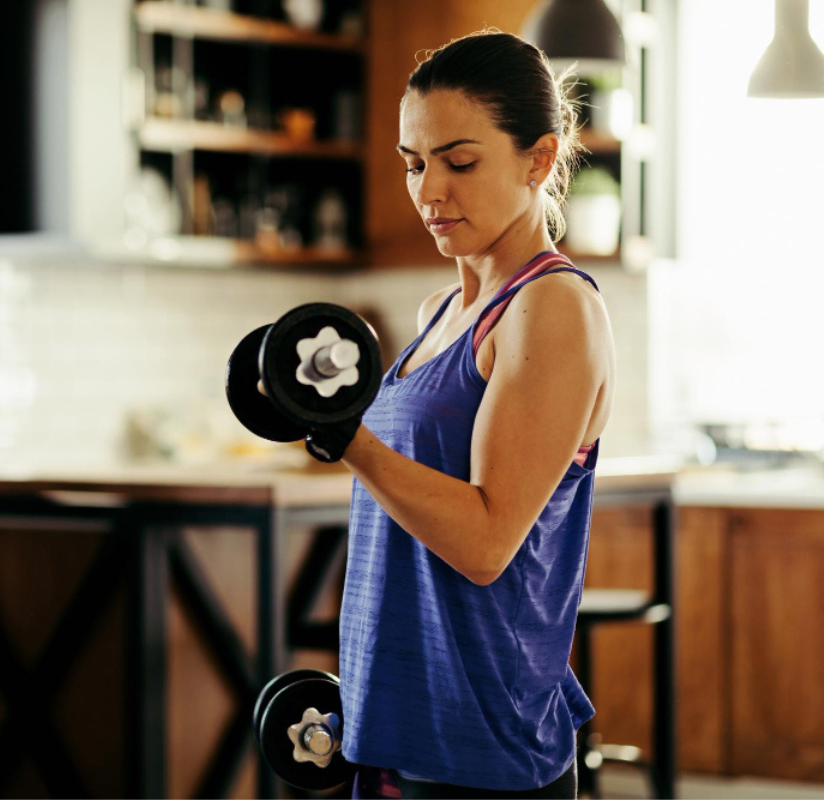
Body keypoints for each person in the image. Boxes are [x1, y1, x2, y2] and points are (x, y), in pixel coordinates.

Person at [303, 29, 616, 799]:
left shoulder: (550, 308)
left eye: (460, 161)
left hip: (483, 745)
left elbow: (484, 542)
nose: (429, 189)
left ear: (538, 160)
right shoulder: (441, 310)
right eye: (415, 163)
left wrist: (350, 439)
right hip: (396, 727)